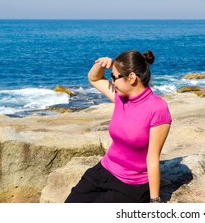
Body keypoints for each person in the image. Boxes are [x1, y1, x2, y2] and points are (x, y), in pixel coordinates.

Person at [65, 50, 172, 203]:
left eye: (115, 77)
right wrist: (101, 64)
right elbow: (94, 78)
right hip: (103, 170)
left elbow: (153, 157)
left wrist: (155, 200)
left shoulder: (157, 108)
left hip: (131, 184)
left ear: (132, 78)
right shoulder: (121, 97)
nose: (113, 82)